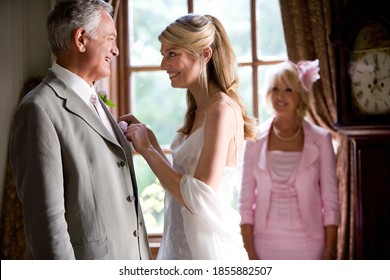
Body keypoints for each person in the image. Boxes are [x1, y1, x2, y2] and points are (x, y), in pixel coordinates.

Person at [9, 0, 151, 260]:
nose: (116, 50)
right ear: (81, 39)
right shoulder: (38, 109)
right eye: (110, 39)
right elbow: (46, 225)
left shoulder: (97, 101)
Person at [119, 14, 257, 260]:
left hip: (209, 251)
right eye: (163, 54)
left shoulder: (221, 110)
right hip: (182, 243)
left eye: (172, 54)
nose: (163, 65)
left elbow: (198, 195)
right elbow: (178, 185)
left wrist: (148, 151)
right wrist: (149, 140)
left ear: (204, 54)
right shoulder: (198, 109)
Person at [238, 59, 340, 260]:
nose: (280, 96)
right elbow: (245, 201)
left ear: (299, 95)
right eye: (275, 89)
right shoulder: (253, 140)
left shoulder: (321, 139)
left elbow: (330, 201)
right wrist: (249, 250)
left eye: (288, 90)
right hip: (264, 242)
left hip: (310, 242)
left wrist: (330, 250)